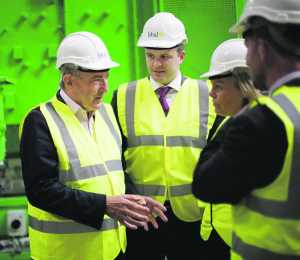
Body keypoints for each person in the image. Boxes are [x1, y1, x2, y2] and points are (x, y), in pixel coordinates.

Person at [19, 31, 167, 260]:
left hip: (114, 250)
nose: (105, 87)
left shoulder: (106, 113)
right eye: (97, 79)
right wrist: (104, 206)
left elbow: (112, 172)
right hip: (66, 254)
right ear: (69, 81)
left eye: (106, 77)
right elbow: (41, 190)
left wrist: (134, 199)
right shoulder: (40, 120)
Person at [192, 0, 300, 259]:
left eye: (247, 46)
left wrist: (242, 113)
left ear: (261, 48)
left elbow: (205, 185)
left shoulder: (260, 120)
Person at [111, 12, 216, 260]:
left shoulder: (208, 94)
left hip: (193, 215)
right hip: (141, 216)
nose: (156, 64)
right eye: (150, 56)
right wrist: (130, 202)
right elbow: (115, 157)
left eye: (165, 57)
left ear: (181, 56)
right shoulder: (124, 95)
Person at [196, 38, 259, 259]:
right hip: (218, 235)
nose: (211, 94)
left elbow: (204, 180)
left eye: (218, 87)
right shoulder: (227, 120)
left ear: (244, 87)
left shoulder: (255, 129)